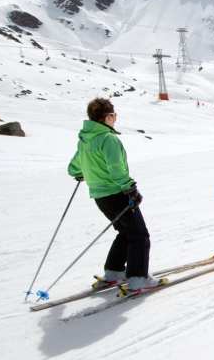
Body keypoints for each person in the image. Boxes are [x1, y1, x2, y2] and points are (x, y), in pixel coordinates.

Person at [67, 98, 160, 294]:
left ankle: (114, 271)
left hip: (100, 197)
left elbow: (74, 166)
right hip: (117, 193)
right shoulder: (108, 139)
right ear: (107, 117)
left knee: (125, 232)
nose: (115, 119)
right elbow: (116, 168)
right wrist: (131, 189)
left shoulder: (86, 138)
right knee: (139, 235)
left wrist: (81, 171)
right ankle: (138, 278)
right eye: (114, 115)